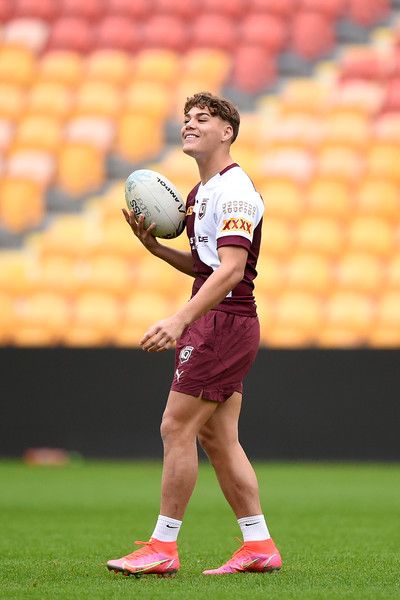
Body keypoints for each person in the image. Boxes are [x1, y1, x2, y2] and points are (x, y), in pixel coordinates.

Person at [107, 92, 282, 577]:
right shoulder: (198, 194)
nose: (190, 124)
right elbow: (207, 268)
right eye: (186, 118)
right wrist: (156, 250)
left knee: (175, 426)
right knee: (218, 438)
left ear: (227, 131)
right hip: (218, 319)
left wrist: (179, 318)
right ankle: (258, 545)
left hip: (224, 322)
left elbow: (230, 271)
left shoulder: (237, 191)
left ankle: (163, 547)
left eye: (202, 118)